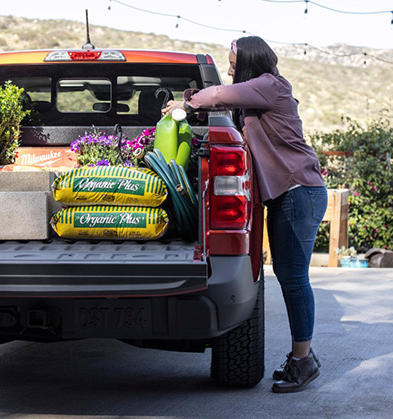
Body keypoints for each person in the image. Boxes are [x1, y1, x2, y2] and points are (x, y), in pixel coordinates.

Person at [162, 36, 327, 393]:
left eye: (234, 61)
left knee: (295, 278)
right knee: (288, 275)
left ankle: (304, 360)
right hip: (288, 195)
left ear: (251, 60)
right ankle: (302, 357)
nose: (230, 67)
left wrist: (185, 102)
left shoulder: (270, 86)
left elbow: (219, 94)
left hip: (300, 192)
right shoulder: (258, 95)